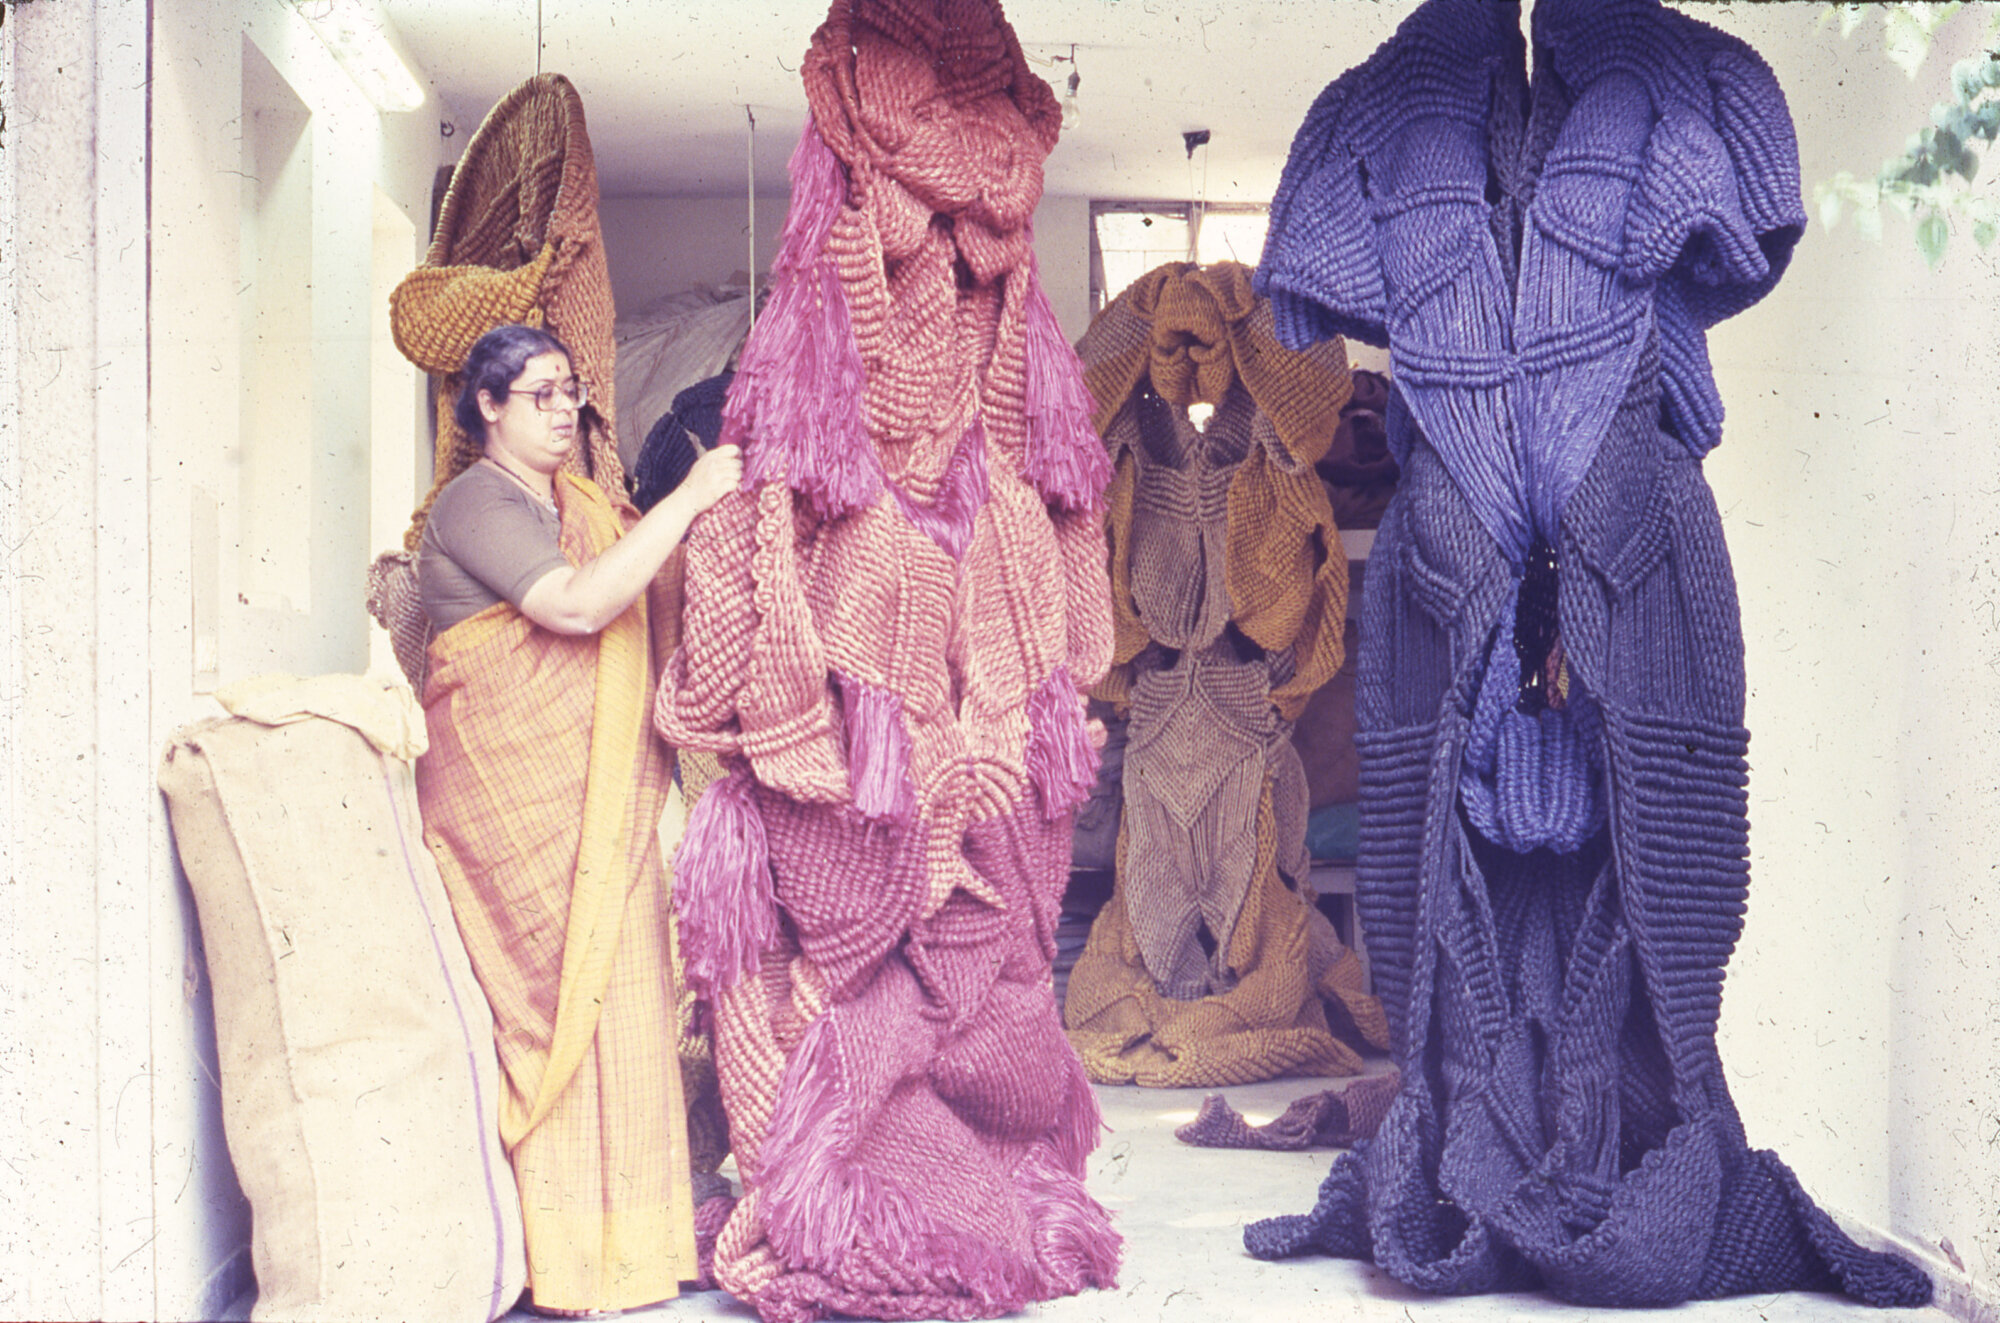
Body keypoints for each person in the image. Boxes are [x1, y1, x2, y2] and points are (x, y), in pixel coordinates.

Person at [412, 323, 741, 1318]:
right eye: (540, 394)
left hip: (600, 805)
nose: (563, 413)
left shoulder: (580, 504)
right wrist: (689, 499)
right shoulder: (477, 501)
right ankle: (562, 1259)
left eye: (571, 394)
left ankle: (632, 1251)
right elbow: (576, 608)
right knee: (550, 1013)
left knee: (627, 1004)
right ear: (487, 407)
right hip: (514, 806)